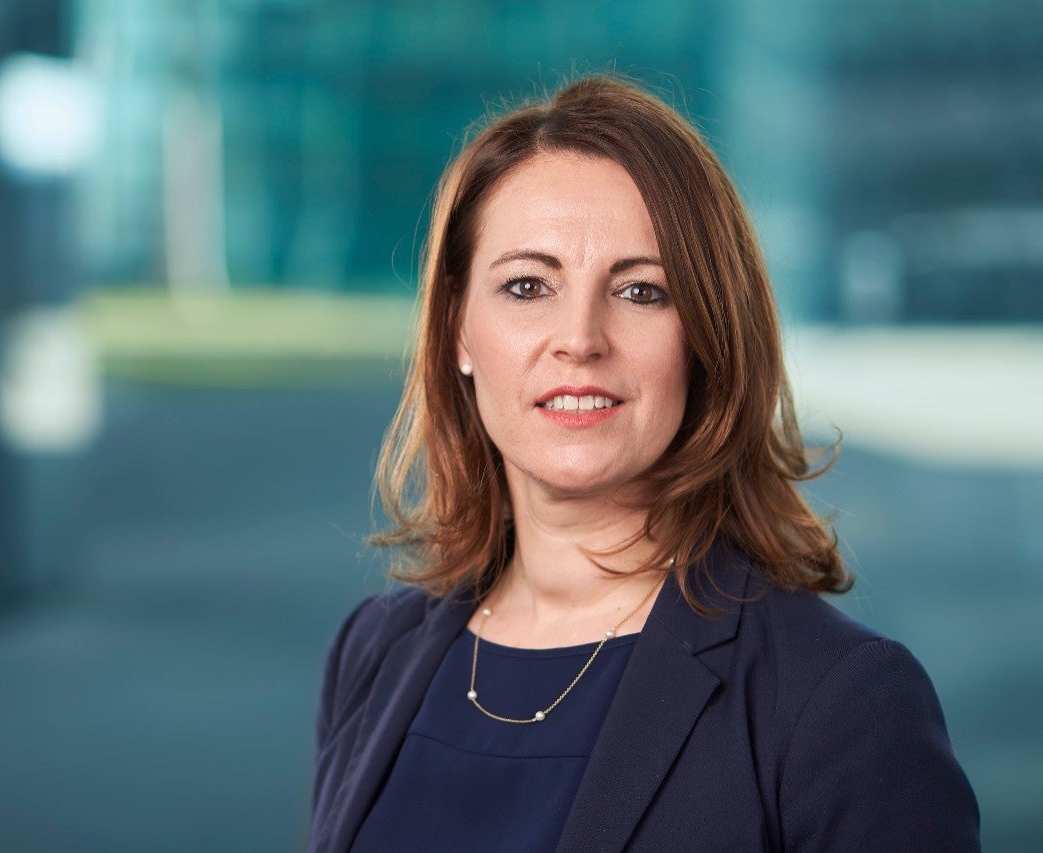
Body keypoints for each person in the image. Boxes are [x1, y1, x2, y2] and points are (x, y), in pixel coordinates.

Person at [309, 76, 979, 852]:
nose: (579, 339)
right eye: (527, 286)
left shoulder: (842, 698)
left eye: (640, 291)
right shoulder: (374, 652)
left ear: (708, 336)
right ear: (458, 327)